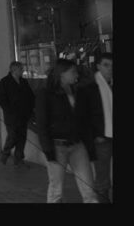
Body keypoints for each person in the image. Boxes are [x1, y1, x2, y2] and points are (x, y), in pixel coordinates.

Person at [35, 58, 98, 203]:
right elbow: (42, 123)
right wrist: (47, 149)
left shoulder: (77, 90)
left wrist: (89, 144)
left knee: (88, 187)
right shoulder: (46, 93)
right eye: (73, 72)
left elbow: (84, 119)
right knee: (56, 189)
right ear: (61, 74)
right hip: (57, 146)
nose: (76, 75)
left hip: (77, 144)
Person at [0, 61, 35, 168]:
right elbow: (0, 98)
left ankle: (19, 159)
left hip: (23, 115)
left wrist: (30, 109)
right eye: (21, 69)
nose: (22, 71)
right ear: (14, 70)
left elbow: (30, 96)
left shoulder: (24, 82)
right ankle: (6, 153)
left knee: (22, 137)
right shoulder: (5, 82)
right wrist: (9, 109)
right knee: (13, 136)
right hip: (11, 116)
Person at [87, 52, 113, 203]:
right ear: (98, 67)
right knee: (102, 175)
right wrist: (95, 135)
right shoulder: (90, 88)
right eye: (106, 65)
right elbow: (85, 116)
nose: (110, 69)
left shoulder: (111, 85)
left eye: (112, 66)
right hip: (101, 138)